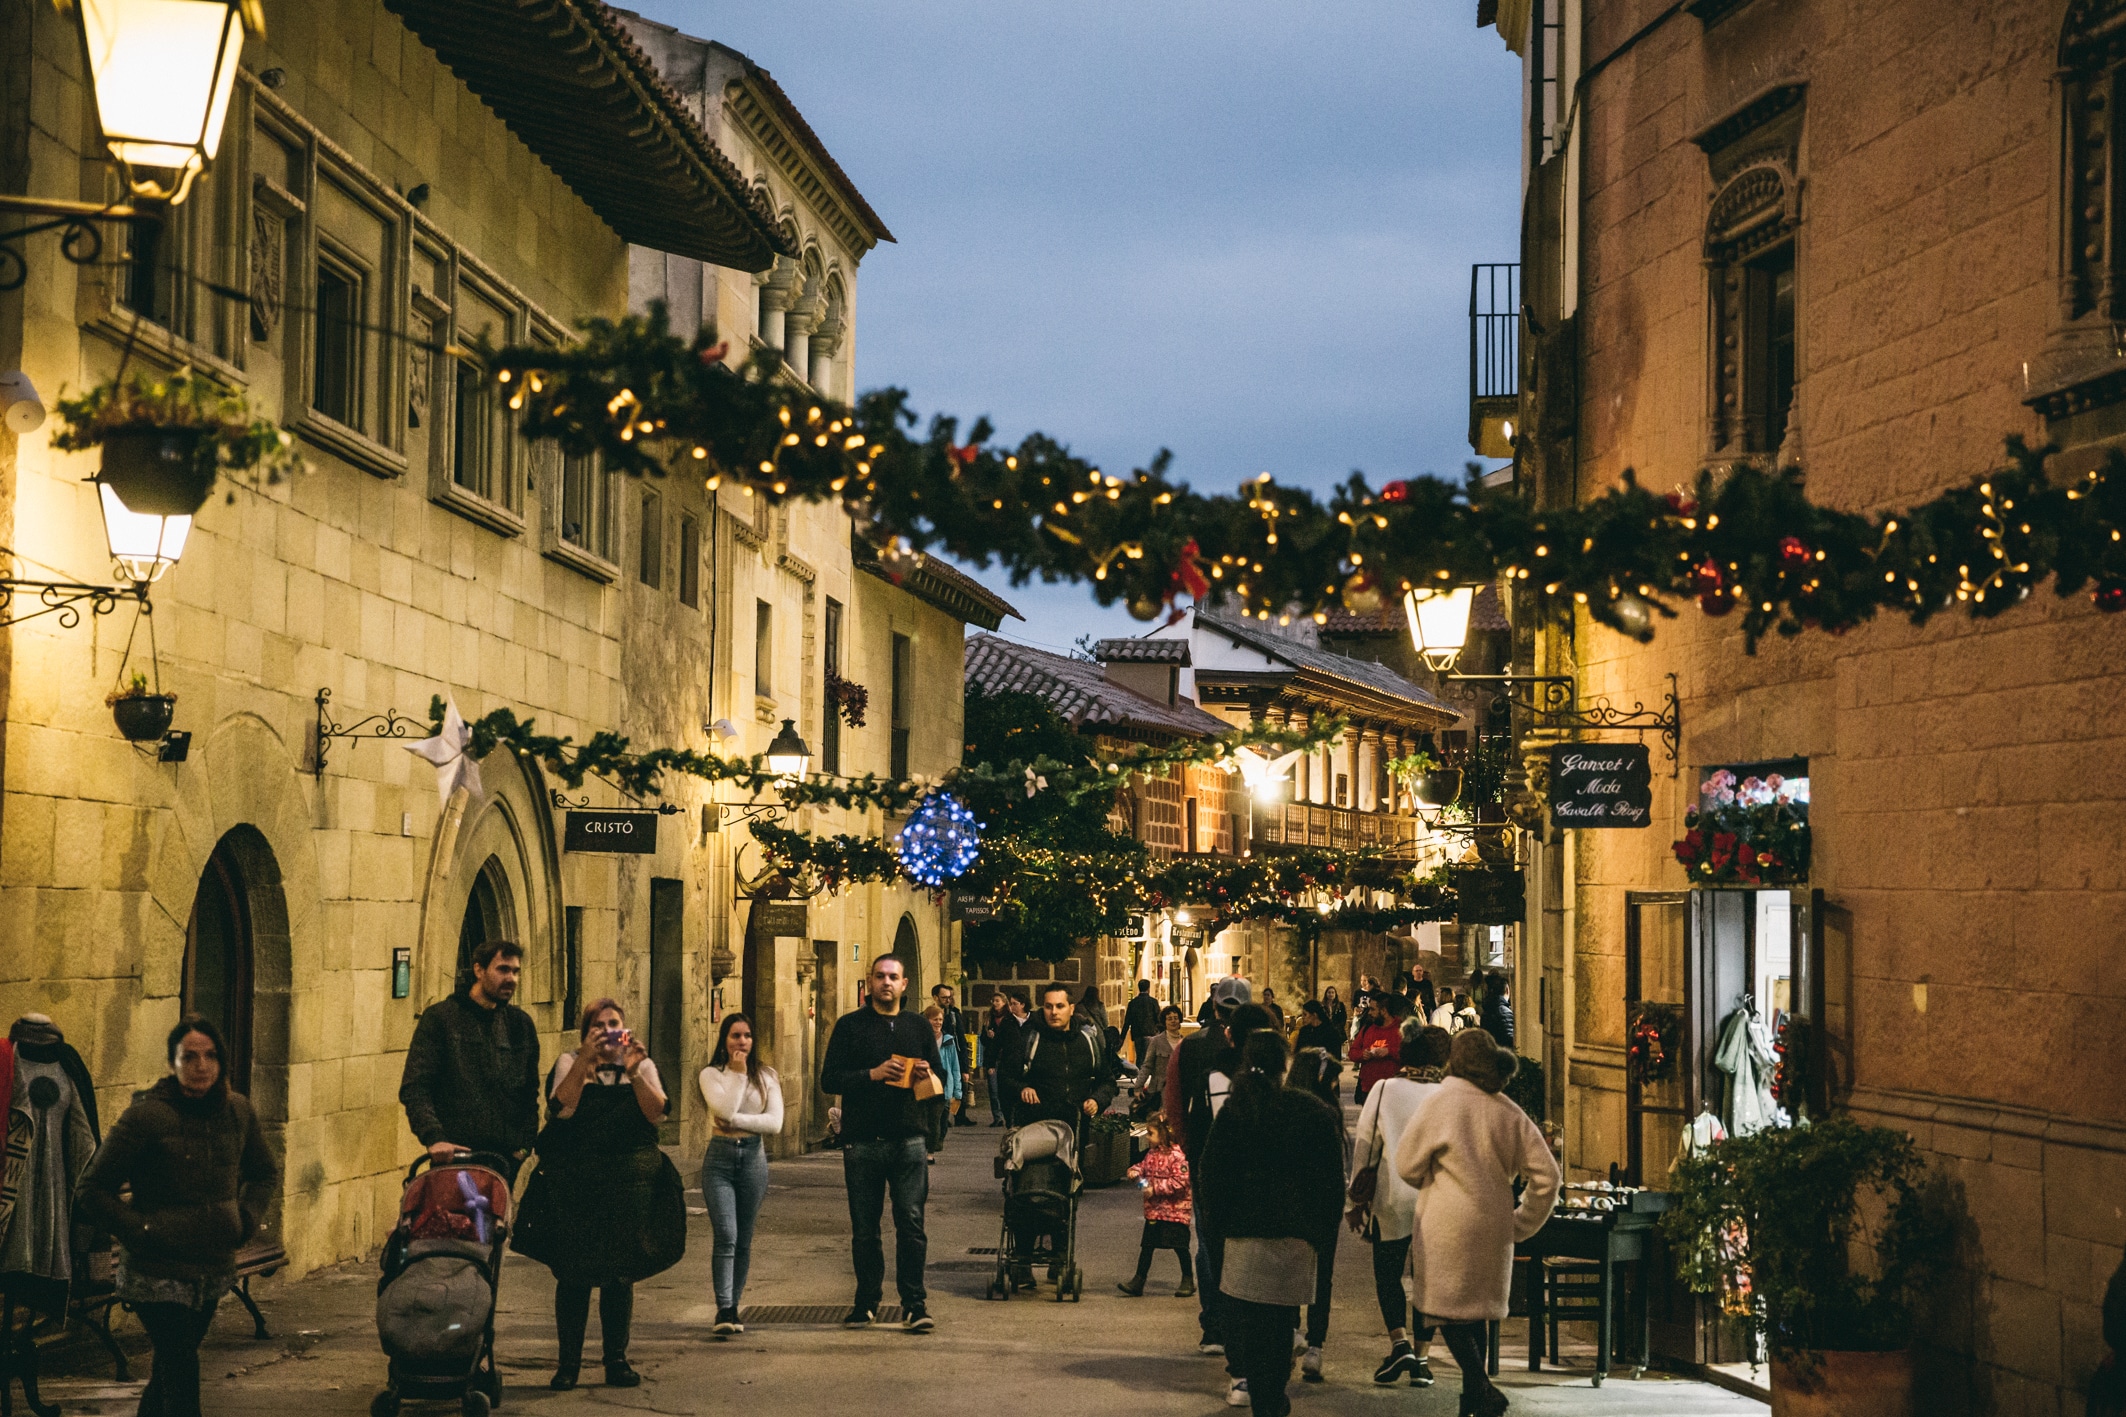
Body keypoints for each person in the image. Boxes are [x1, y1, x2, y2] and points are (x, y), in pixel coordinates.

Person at [77, 1016, 279, 1417]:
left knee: (171, 1363)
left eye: (209, 1056)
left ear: (220, 1061)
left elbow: (264, 1173)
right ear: (173, 1063)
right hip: (157, 1268)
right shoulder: (146, 1117)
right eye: (189, 1056)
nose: (200, 1065)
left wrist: (243, 1219)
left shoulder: (237, 1111)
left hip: (211, 1265)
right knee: (181, 1363)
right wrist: (142, 1231)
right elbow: (91, 1191)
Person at [1394, 1030, 1561, 1417]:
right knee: (1476, 1313)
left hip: (1445, 1222)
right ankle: (1471, 1400)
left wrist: (1429, 1174)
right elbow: (1548, 1176)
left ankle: (1482, 1389)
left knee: (1445, 1310)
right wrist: (1522, 1222)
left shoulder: (1441, 1102)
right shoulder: (1509, 1111)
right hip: (1494, 1223)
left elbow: (1406, 1164)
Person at [1197, 1031, 1344, 1416]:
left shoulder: (1235, 1111)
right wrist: (1321, 1235)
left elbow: (1211, 1178)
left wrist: (1218, 1232)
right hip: (1295, 1244)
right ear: (1286, 1065)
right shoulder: (1311, 1112)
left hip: (1243, 1242)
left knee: (1249, 1331)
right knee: (1279, 1331)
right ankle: (1270, 1401)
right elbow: (1330, 1185)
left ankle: (1265, 1398)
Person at [533, 999, 672, 1389]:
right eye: (600, 1025)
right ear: (587, 1032)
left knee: (618, 1275)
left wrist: (635, 1072)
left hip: (628, 1185)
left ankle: (616, 1359)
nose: (610, 1031)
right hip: (578, 1184)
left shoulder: (641, 1067)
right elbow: (562, 1109)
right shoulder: (569, 1063)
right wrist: (585, 1061)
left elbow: (657, 1114)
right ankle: (568, 1365)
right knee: (573, 1273)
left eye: (615, 1024)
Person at [819, 953, 943, 1331]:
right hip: (863, 1143)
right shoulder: (849, 1026)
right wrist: (871, 1074)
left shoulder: (917, 1028)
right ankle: (866, 1301)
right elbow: (829, 1080)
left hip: (908, 1140)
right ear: (869, 982)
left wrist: (925, 1073)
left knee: (911, 1222)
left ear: (904, 985)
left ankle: (914, 1304)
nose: (886, 982)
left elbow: (939, 1083)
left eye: (893, 977)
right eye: (879, 976)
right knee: (864, 1227)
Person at [1164, 982, 1271, 1369]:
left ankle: (1214, 1325)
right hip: (1255, 1162)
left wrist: (1187, 1147)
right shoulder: (1265, 1049)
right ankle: (1251, 1322)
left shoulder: (1189, 1047)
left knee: (1209, 1239)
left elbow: (1173, 1103)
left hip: (1207, 1157)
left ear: (1214, 1006)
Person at [1350, 1023, 1452, 1388]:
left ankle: (1400, 1343)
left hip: (1392, 1197)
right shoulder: (1447, 1095)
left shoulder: (1384, 1090)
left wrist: (1354, 1199)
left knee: (1388, 1273)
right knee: (1428, 1280)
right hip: (1436, 1201)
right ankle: (1423, 1359)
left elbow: (1365, 1145)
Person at [399, 938, 541, 1179]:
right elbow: (416, 1087)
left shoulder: (520, 1025)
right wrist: (435, 1138)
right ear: (478, 970)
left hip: (505, 1162)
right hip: (455, 1158)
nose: (511, 979)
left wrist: (523, 1147)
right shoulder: (441, 1019)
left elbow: (529, 1094)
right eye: (503, 969)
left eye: (516, 971)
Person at [699, 1011, 782, 1336]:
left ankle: (734, 1306)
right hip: (719, 1161)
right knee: (726, 1235)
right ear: (725, 1039)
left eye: (746, 1036)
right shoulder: (711, 1074)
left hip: (753, 1159)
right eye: (735, 1036)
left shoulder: (767, 1075)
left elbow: (774, 1123)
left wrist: (738, 1122)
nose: (741, 1041)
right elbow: (722, 1110)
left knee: (744, 1239)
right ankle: (724, 1309)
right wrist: (736, 1074)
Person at [1285, 1047, 1347, 1383]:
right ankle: (1315, 1348)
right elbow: (1335, 1170)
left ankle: (1293, 1331)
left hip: (1292, 1205)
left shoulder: (1283, 1109)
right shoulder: (1326, 1114)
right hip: (1324, 1205)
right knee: (1323, 1276)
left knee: (1292, 1270)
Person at [1014, 982, 1114, 1126]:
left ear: (1071, 1009)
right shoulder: (1030, 1039)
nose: (1054, 1012)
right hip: (1038, 1130)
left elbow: (1107, 1081)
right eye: (1048, 1006)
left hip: (1079, 1128)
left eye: (1060, 1006)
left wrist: (1097, 1100)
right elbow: (1007, 1077)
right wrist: (1023, 1089)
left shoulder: (1087, 1041)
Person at [1116, 1113, 1194, 1297]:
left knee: (1180, 1246)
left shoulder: (1177, 1156)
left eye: (1150, 1133)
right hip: (1154, 1211)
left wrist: (1156, 1189)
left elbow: (1180, 1182)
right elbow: (1143, 1168)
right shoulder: (1152, 1154)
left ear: (1163, 1134)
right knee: (1148, 1246)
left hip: (1175, 1212)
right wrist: (1135, 1171)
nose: (1147, 1137)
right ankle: (1139, 1280)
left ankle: (1188, 1278)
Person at [931, 985, 974, 1127]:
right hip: (936, 1057)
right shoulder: (926, 1016)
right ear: (935, 998)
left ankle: (959, 1115)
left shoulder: (954, 1015)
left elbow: (961, 1040)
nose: (948, 1000)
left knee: (959, 1085)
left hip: (953, 1055)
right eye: (944, 997)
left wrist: (965, 1068)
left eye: (950, 997)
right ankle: (943, 1116)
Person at [1348, 994, 1403, 1102]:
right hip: (1368, 1089)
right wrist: (1362, 1054)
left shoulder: (1402, 1029)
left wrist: (1389, 1051)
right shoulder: (1368, 1028)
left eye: (1372, 1009)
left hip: (1393, 1089)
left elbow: (1412, 1055)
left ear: (1384, 1011)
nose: (1369, 1013)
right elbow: (1353, 1052)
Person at [1135, 1004, 1185, 1116]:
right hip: (1159, 1091)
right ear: (1164, 1022)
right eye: (1169, 1019)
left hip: (1179, 1090)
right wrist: (1138, 1086)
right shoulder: (1156, 1042)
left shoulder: (1185, 1042)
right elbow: (1147, 1065)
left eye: (1176, 1018)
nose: (1173, 1021)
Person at [920, 1004, 954, 1159]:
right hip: (921, 1084)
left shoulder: (948, 1041)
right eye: (935, 1019)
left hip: (941, 1085)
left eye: (940, 1019)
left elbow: (955, 1066)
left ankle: (930, 1152)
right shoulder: (919, 1039)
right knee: (922, 1119)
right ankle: (922, 1148)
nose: (938, 1022)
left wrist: (957, 1091)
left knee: (935, 1121)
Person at [993, 990, 1033, 1122]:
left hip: (1029, 1068)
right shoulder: (1007, 1022)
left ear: (1023, 1005)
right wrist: (990, 1063)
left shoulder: (1034, 1021)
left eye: (1014, 1004)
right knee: (1007, 1099)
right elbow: (997, 1043)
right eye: (1010, 1004)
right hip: (1010, 1066)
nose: (1011, 1007)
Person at [979, 993, 1013, 1126]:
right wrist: (988, 1036)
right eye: (993, 1000)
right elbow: (982, 1039)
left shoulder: (1010, 1018)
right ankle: (997, 1117)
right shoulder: (989, 1018)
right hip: (992, 1058)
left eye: (998, 1001)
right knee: (993, 1089)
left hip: (1006, 1058)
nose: (995, 1003)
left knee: (1006, 1089)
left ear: (1004, 1002)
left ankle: (1008, 1116)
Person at [1122, 977, 1164, 1067]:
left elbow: (1127, 1021)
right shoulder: (1153, 1002)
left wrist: (1122, 1037)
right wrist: (1162, 1032)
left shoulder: (1133, 1003)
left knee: (1140, 1056)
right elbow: (1158, 1018)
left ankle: (1139, 1075)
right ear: (1148, 989)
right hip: (1150, 1033)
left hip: (1137, 1034)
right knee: (1148, 1057)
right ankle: (1144, 1075)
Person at [1480, 978, 1516, 1050]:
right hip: (1502, 1053)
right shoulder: (1504, 1011)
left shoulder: (1487, 1009)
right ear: (1507, 990)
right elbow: (1509, 1037)